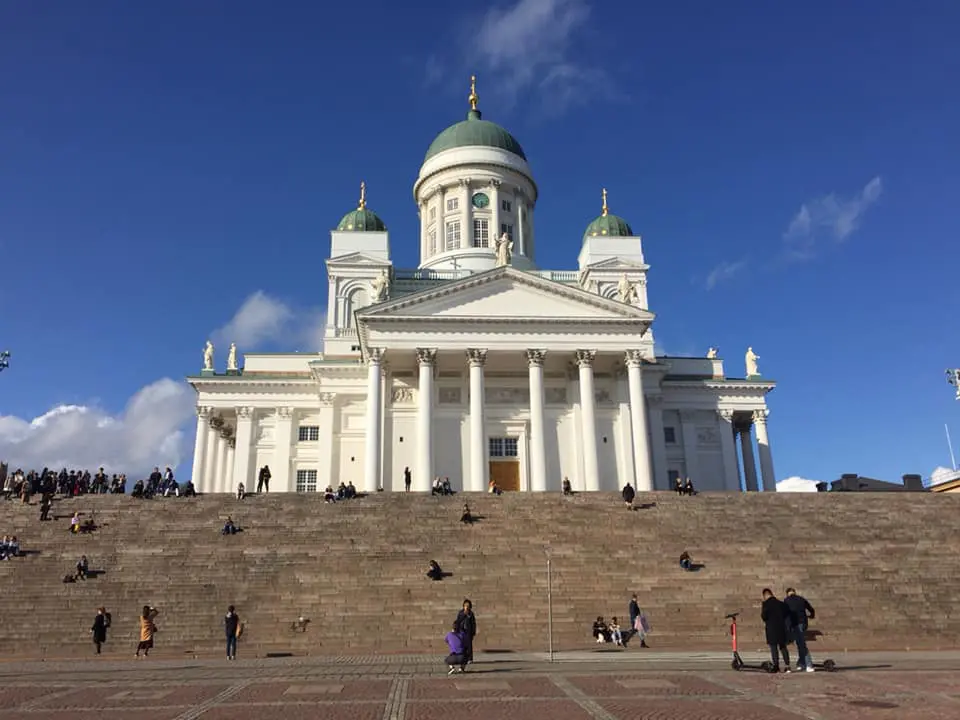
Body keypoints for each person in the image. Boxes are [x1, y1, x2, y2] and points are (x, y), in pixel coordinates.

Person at [784, 588, 816, 672]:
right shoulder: (801, 599)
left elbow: (785, 613)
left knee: (801, 644)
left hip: (795, 624)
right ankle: (801, 663)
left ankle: (809, 664)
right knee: (799, 643)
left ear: (787, 594)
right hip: (803, 623)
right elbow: (811, 608)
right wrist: (812, 615)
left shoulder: (787, 600)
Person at [761, 588, 792, 673]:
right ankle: (787, 666)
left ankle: (776, 666)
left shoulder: (766, 604)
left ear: (765, 595)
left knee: (773, 648)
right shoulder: (781, 604)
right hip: (781, 628)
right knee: (783, 647)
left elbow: (764, 617)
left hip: (771, 629)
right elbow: (787, 614)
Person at [454, 599, 477, 666]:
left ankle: (470, 658)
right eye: (465, 605)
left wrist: (473, 632)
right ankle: (463, 658)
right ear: (463, 606)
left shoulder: (471, 614)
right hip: (461, 631)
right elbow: (458, 621)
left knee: (469, 646)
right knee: (462, 645)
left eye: (468, 606)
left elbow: (473, 623)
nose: (466, 607)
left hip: (468, 631)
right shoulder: (461, 613)